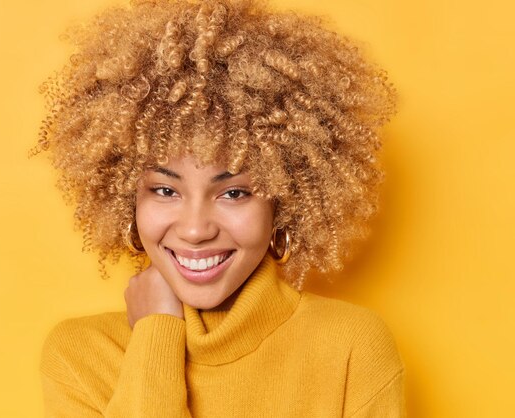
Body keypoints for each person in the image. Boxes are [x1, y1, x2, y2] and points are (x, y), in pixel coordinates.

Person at [32, 0, 405, 416]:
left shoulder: (351, 347)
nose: (195, 230)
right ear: (126, 199)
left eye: (234, 194)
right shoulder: (82, 355)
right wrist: (157, 336)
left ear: (283, 201)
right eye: (164, 191)